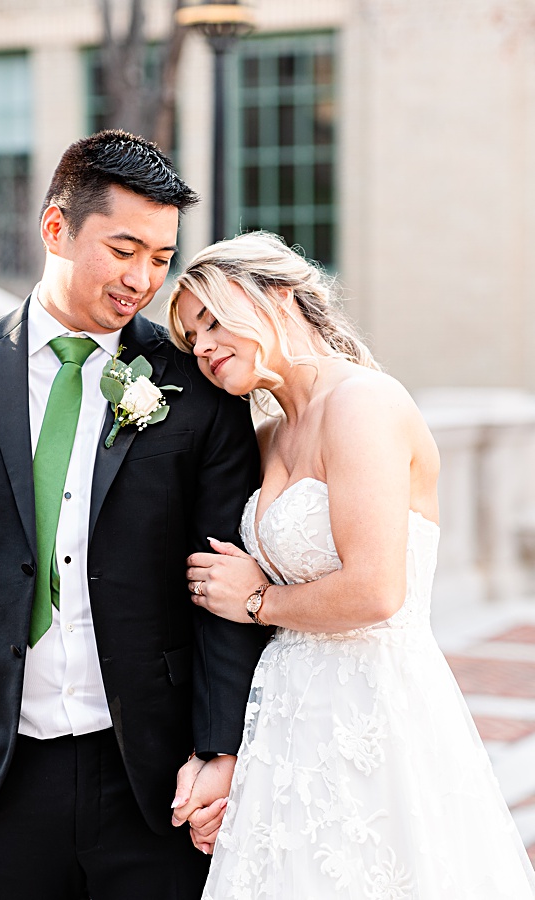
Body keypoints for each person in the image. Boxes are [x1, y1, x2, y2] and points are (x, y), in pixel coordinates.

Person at [0, 130, 270, 899]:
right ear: (56, 228)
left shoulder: (198, 388)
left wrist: (220, 748)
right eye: (125, 249)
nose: (143, 279)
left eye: (160, 257)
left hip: (154, 781)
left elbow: (221, 575)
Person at [167, 231, 535, 897]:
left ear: (278, 298)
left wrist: (257, 602)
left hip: (373, 710)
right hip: (284, 717)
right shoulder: (270, 432)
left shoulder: (365, 403)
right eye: (193, 337)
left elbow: (375, 591)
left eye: (214, 320)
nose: (204, 347)